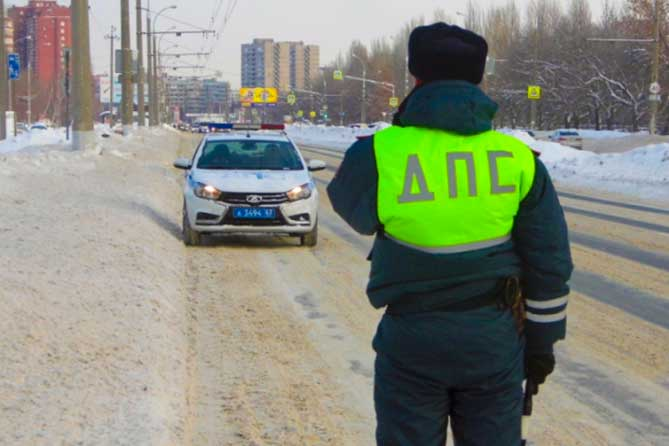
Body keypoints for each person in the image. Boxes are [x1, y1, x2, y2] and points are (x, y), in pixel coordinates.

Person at [327, 23, 573, 446]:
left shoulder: (378, 153)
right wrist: (541, 345)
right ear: (479, 80)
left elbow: (356, 213)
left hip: (411, 340)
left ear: (416, 78)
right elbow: (549, 262)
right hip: (493, 341)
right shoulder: (517, 159)